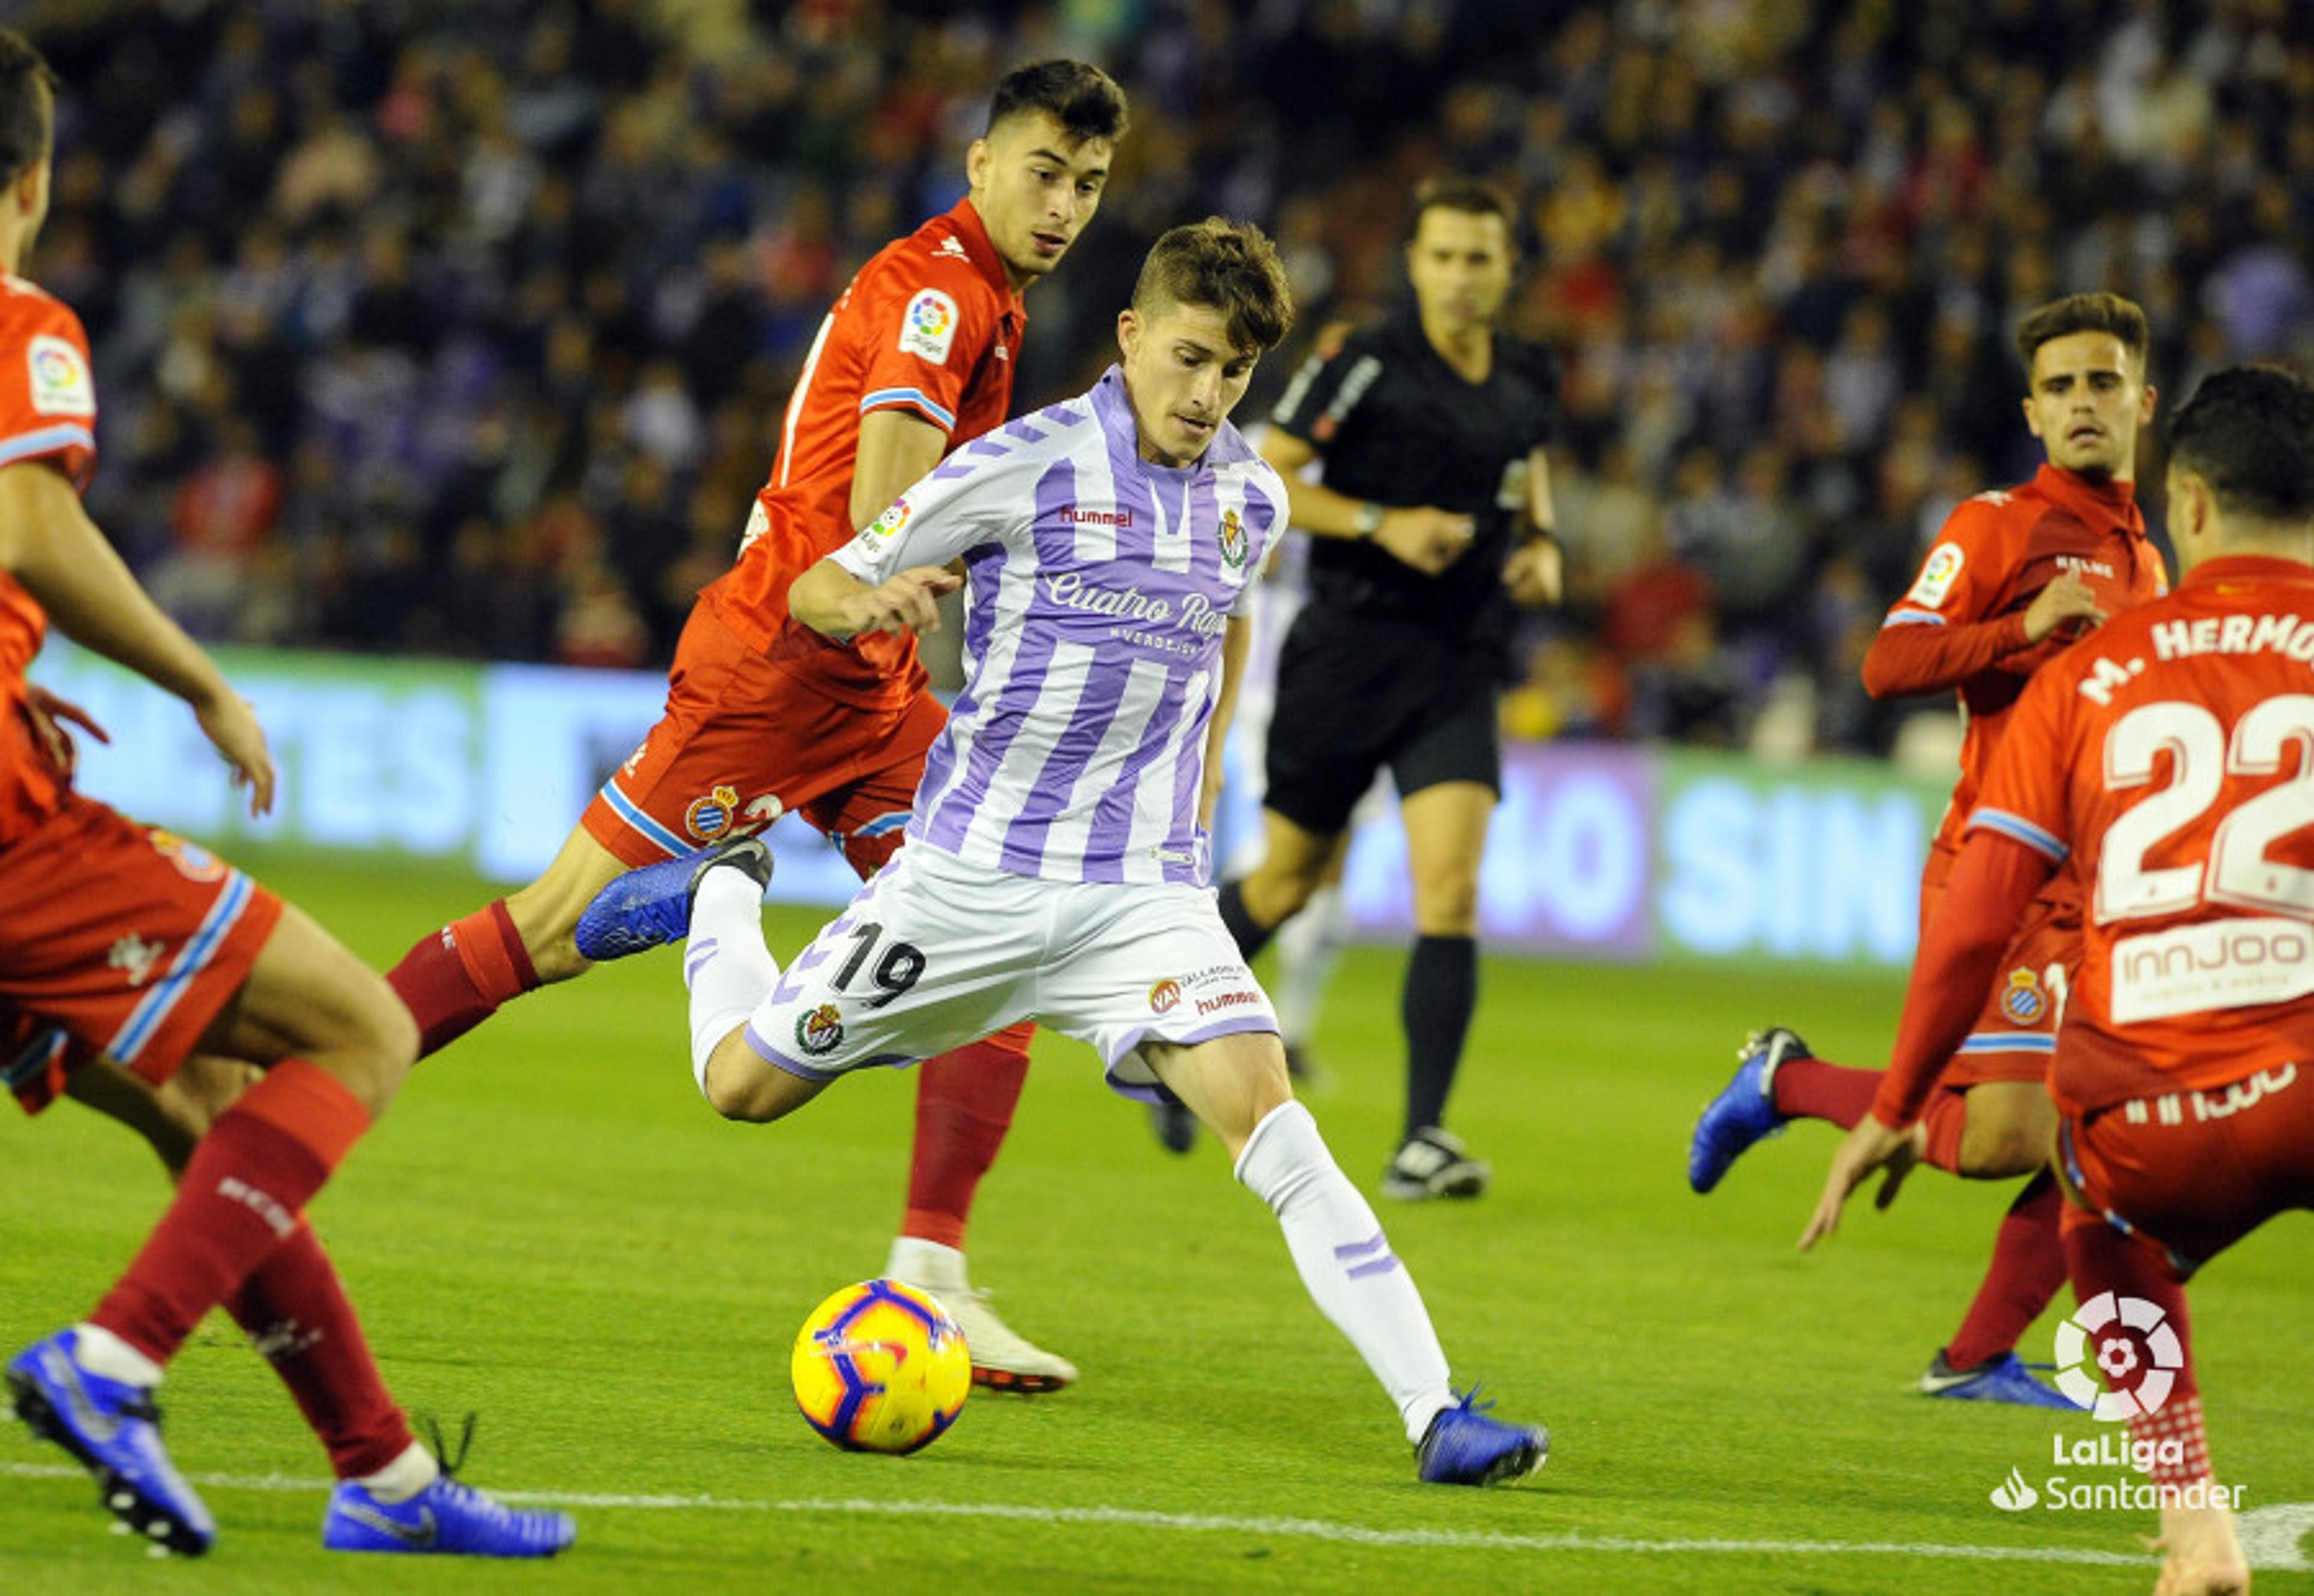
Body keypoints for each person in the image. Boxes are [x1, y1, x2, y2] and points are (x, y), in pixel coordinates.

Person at [578, 219, 1551, 1487]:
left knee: (1274, 1119)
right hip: (966, 882)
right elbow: (826, 579)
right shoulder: (1023, 464)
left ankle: (1439, 1414)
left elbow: (1228, 627)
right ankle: (720, 892)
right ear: (1135, 338)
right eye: (1192, 358)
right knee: (741, 1086)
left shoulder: (1252, 498)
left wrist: (1200, 791)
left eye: (1237, 371)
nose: (1209, 395)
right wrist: (867, 599)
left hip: (1139, 900)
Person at [380, 60, 1129, 1392]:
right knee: (546, 927)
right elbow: (886, 510)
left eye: (1088, 183)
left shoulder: (986, 297)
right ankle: (318, 1065)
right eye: (1044, 171)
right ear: (978, 163)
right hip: (781, 674)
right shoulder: (943, 292)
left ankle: (933, 1276)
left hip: (875, 688)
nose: (1064, 202)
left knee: (996, 932)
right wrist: (915, 571)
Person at [0, 30, 572, 1558]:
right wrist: (197, 676)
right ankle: (112, 1359)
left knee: (204, 1105)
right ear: (36, 181)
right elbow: (34, 521)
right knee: (360, 1026)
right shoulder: (19, 318)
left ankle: (381, 1477)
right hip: (4, 831)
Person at [1801, 363, 2314, 1596]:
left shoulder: (2088, 673)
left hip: (2148, 1117)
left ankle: (2192, 1519)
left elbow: (1977, 920)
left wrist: (1890, 1105)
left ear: (2187, 503)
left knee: (2099, 1212)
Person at [1688, 292, 2168, 1407]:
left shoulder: (2145, 556)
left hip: (2099, 892)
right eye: (2061, 387)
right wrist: (2021, 627)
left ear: (2144, 402)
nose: (2083, 403)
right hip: (2004, 873)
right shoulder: (1998, 526)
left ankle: (1976, 1357)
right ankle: (1787, 1080)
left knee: (2111, 1129)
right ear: (2032, 411)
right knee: (2008, 1138)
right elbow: (1888, 661)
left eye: (2103, 382)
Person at [1182, 178, 1563, 1197]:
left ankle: (1422, 1139)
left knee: (1451, 888)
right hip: (1348, 651)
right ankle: (1161, 1030)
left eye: (1480, 257)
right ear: (1414, 263)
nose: (1461, 276)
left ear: (1507, 266)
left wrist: (1540, 542)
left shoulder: (1529, 372)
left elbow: (1526, 469)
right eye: (1443, 256)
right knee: (1286, 879)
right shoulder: (1362, 359)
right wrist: (1379, 523)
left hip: (1456, 661)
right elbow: (1269, 477)